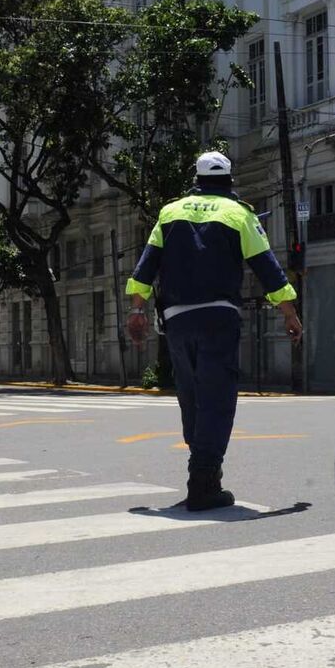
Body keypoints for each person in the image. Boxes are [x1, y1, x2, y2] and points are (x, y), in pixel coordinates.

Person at [125, 151, 303, 511]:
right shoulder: (239, 215)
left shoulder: (170, 212)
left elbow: (146, 266)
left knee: (191, 397)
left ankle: (204, 471)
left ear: (197, 179)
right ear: (229, 180)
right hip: (218, 319)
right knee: (217, 399)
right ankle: (203, 482)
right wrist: (289, 312)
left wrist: (137, 308)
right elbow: (267, 268)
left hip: (177, 320)